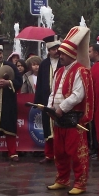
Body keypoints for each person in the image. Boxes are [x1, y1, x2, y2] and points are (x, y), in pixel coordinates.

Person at [46, 25, 94, 195]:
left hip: (74, 119)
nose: (60, 56)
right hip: (58, 118)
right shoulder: (59, 72)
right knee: (59, 152)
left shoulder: (80, 71)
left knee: (76, 153)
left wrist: (61, 108)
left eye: (63, 54)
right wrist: (50, 108)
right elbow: (53, 92)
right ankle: (62, 179)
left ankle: (80, 183)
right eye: (59, 54)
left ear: (72, 55)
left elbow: (77, 95)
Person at [33, 35, 61, 163]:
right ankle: (49, 155)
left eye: (58, 48)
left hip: (61, 100)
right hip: (46, 99)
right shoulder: (44, 64)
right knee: (48, 128)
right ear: (49, 50)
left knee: (60, 128)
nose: (57, 51)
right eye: (54, 49)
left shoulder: (63, 62)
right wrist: (37, 102)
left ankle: (61, 155)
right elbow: (39, 84)